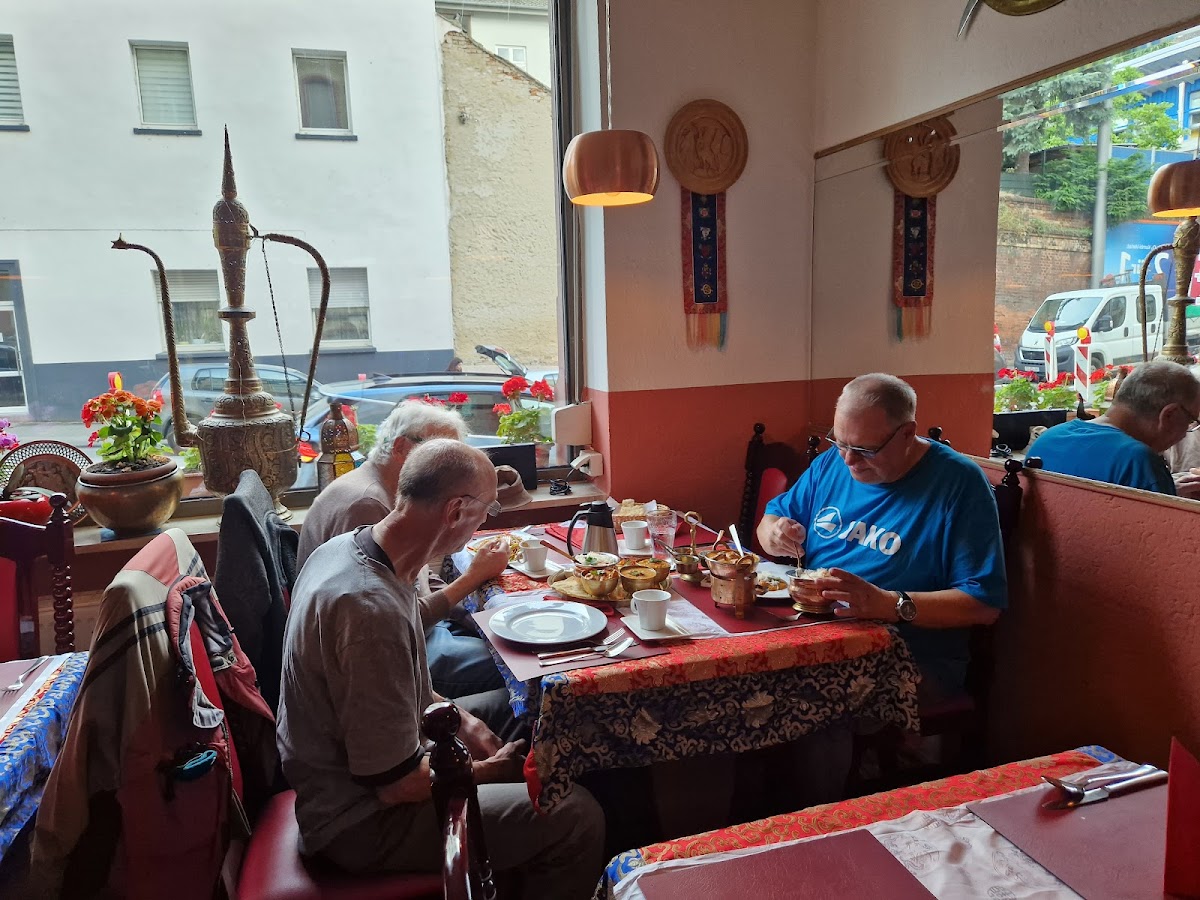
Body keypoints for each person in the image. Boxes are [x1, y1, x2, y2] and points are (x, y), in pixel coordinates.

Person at [279, 440, 604, 897]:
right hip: (359, 821)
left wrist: (469, 725)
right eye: (486, 510)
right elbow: (399, 786)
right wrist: (491, 770)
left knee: (535, 711)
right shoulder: (368, 609)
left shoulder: (358, 550)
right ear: (455, 512)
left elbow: (409, 686)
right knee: (576, 814)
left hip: (387, 754)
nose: (485, 522)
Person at [757, 373, 1006, 703]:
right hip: (816, 635)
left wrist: (886, 604)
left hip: (906, 657)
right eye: (841, 442)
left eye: (864, 449)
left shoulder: (958, 484)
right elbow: (769, 521)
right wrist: (774, 534)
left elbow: (984, 606)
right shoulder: (832, 463)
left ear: (906, 434)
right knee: (737, 676)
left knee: (785, 696)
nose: (848, 460)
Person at [298, 399, 509, 697]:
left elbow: (417, 579)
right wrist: (474, 577)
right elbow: (394, 621)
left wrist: (477, 616)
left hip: (422, 633)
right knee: (514, 668)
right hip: (415, 645)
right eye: (440, 452)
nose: (452, 465)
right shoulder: (366, 505)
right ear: (400, 448)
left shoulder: (396, 502)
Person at [1028, 359, 1200, 496]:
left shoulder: (1049, 438)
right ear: (1169, 415)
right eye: (1191, 421)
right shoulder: (1138, 462)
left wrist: (1162, 488)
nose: (1186, 433)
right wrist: (1158, 486)